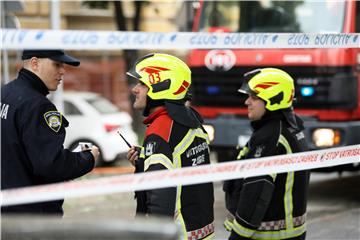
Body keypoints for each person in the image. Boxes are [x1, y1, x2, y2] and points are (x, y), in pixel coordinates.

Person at [126, 53, 215, 240]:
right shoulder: (193, 120)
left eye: (141, 83)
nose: (134, 89)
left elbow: (160, 197)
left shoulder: (160, 130)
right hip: (201, 231)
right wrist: (146, 161)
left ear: (161, 87)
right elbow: (181, 163)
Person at [1, 49, 100, 215]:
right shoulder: (38, 106)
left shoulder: (5, 93)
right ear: (35, 63)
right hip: (33, 214)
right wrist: (88, 158)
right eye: (57, 64)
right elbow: (51, 165)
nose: (63, 71)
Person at [223, 68, 310, 240]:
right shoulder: (290, 127)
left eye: (254, 97)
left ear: (272, 100)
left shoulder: (270, 137)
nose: (247, 102)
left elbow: (256, 192)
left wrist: (239, 235)